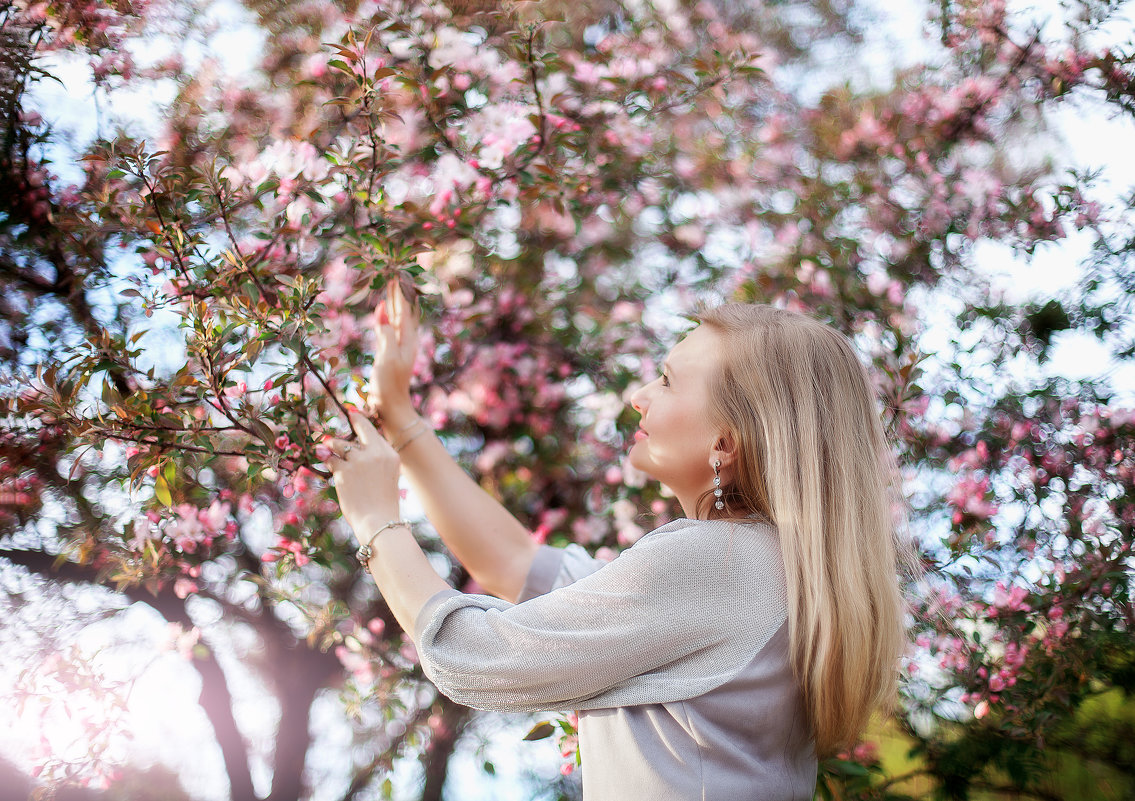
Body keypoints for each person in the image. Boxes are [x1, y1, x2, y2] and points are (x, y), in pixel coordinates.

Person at [326, 288, 909, 800]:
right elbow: (515, 564)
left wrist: (376, 520)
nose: (639, 395)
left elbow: (474, 656)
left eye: (668, 380)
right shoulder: (771, 569)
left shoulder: (718, 564)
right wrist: (401, 421)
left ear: (726, 442)